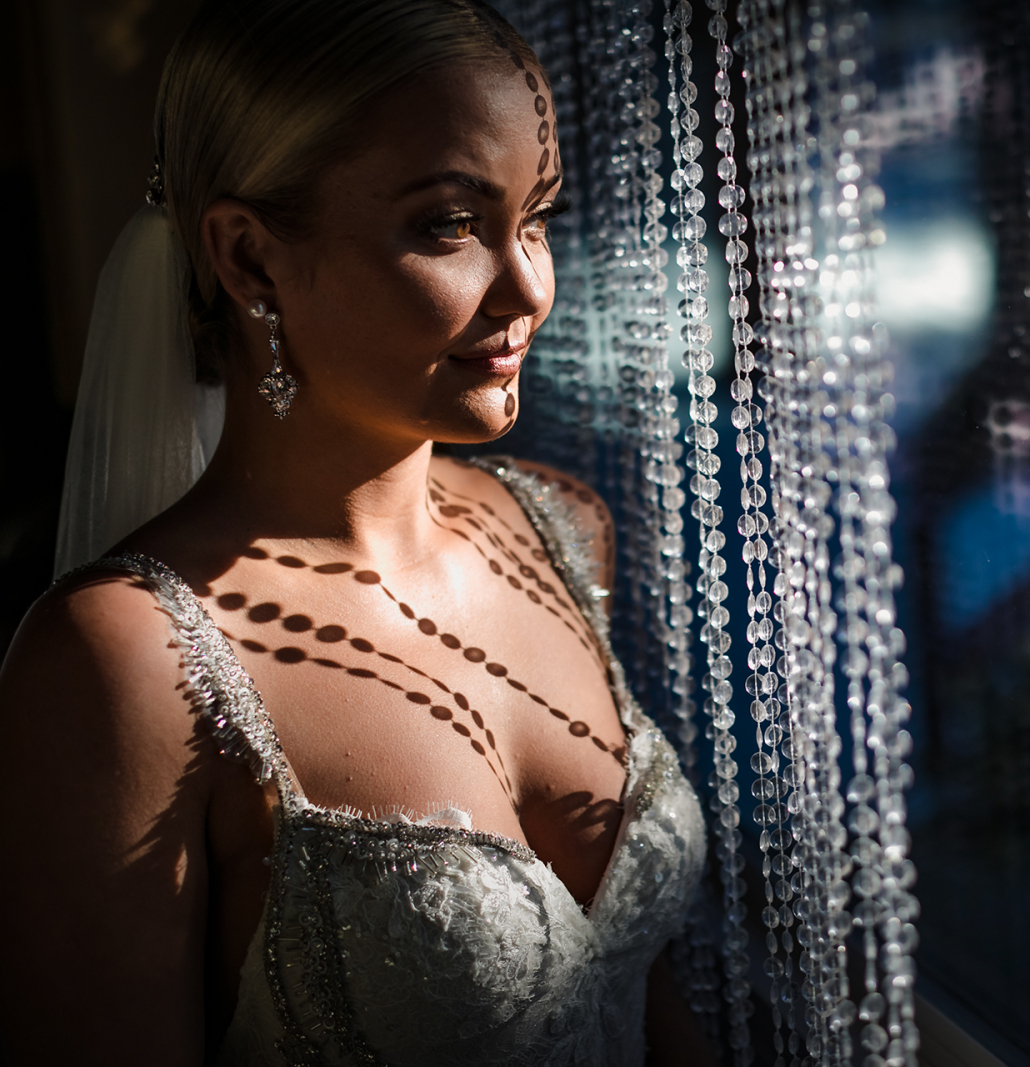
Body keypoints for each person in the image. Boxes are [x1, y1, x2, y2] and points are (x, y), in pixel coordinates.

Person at [0, 2, 712, 1064]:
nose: (527, 291)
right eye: (448, 225)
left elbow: (640, 989)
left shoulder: (559, 527)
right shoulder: (122, 660)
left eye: (537, 218)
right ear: (248, 259)